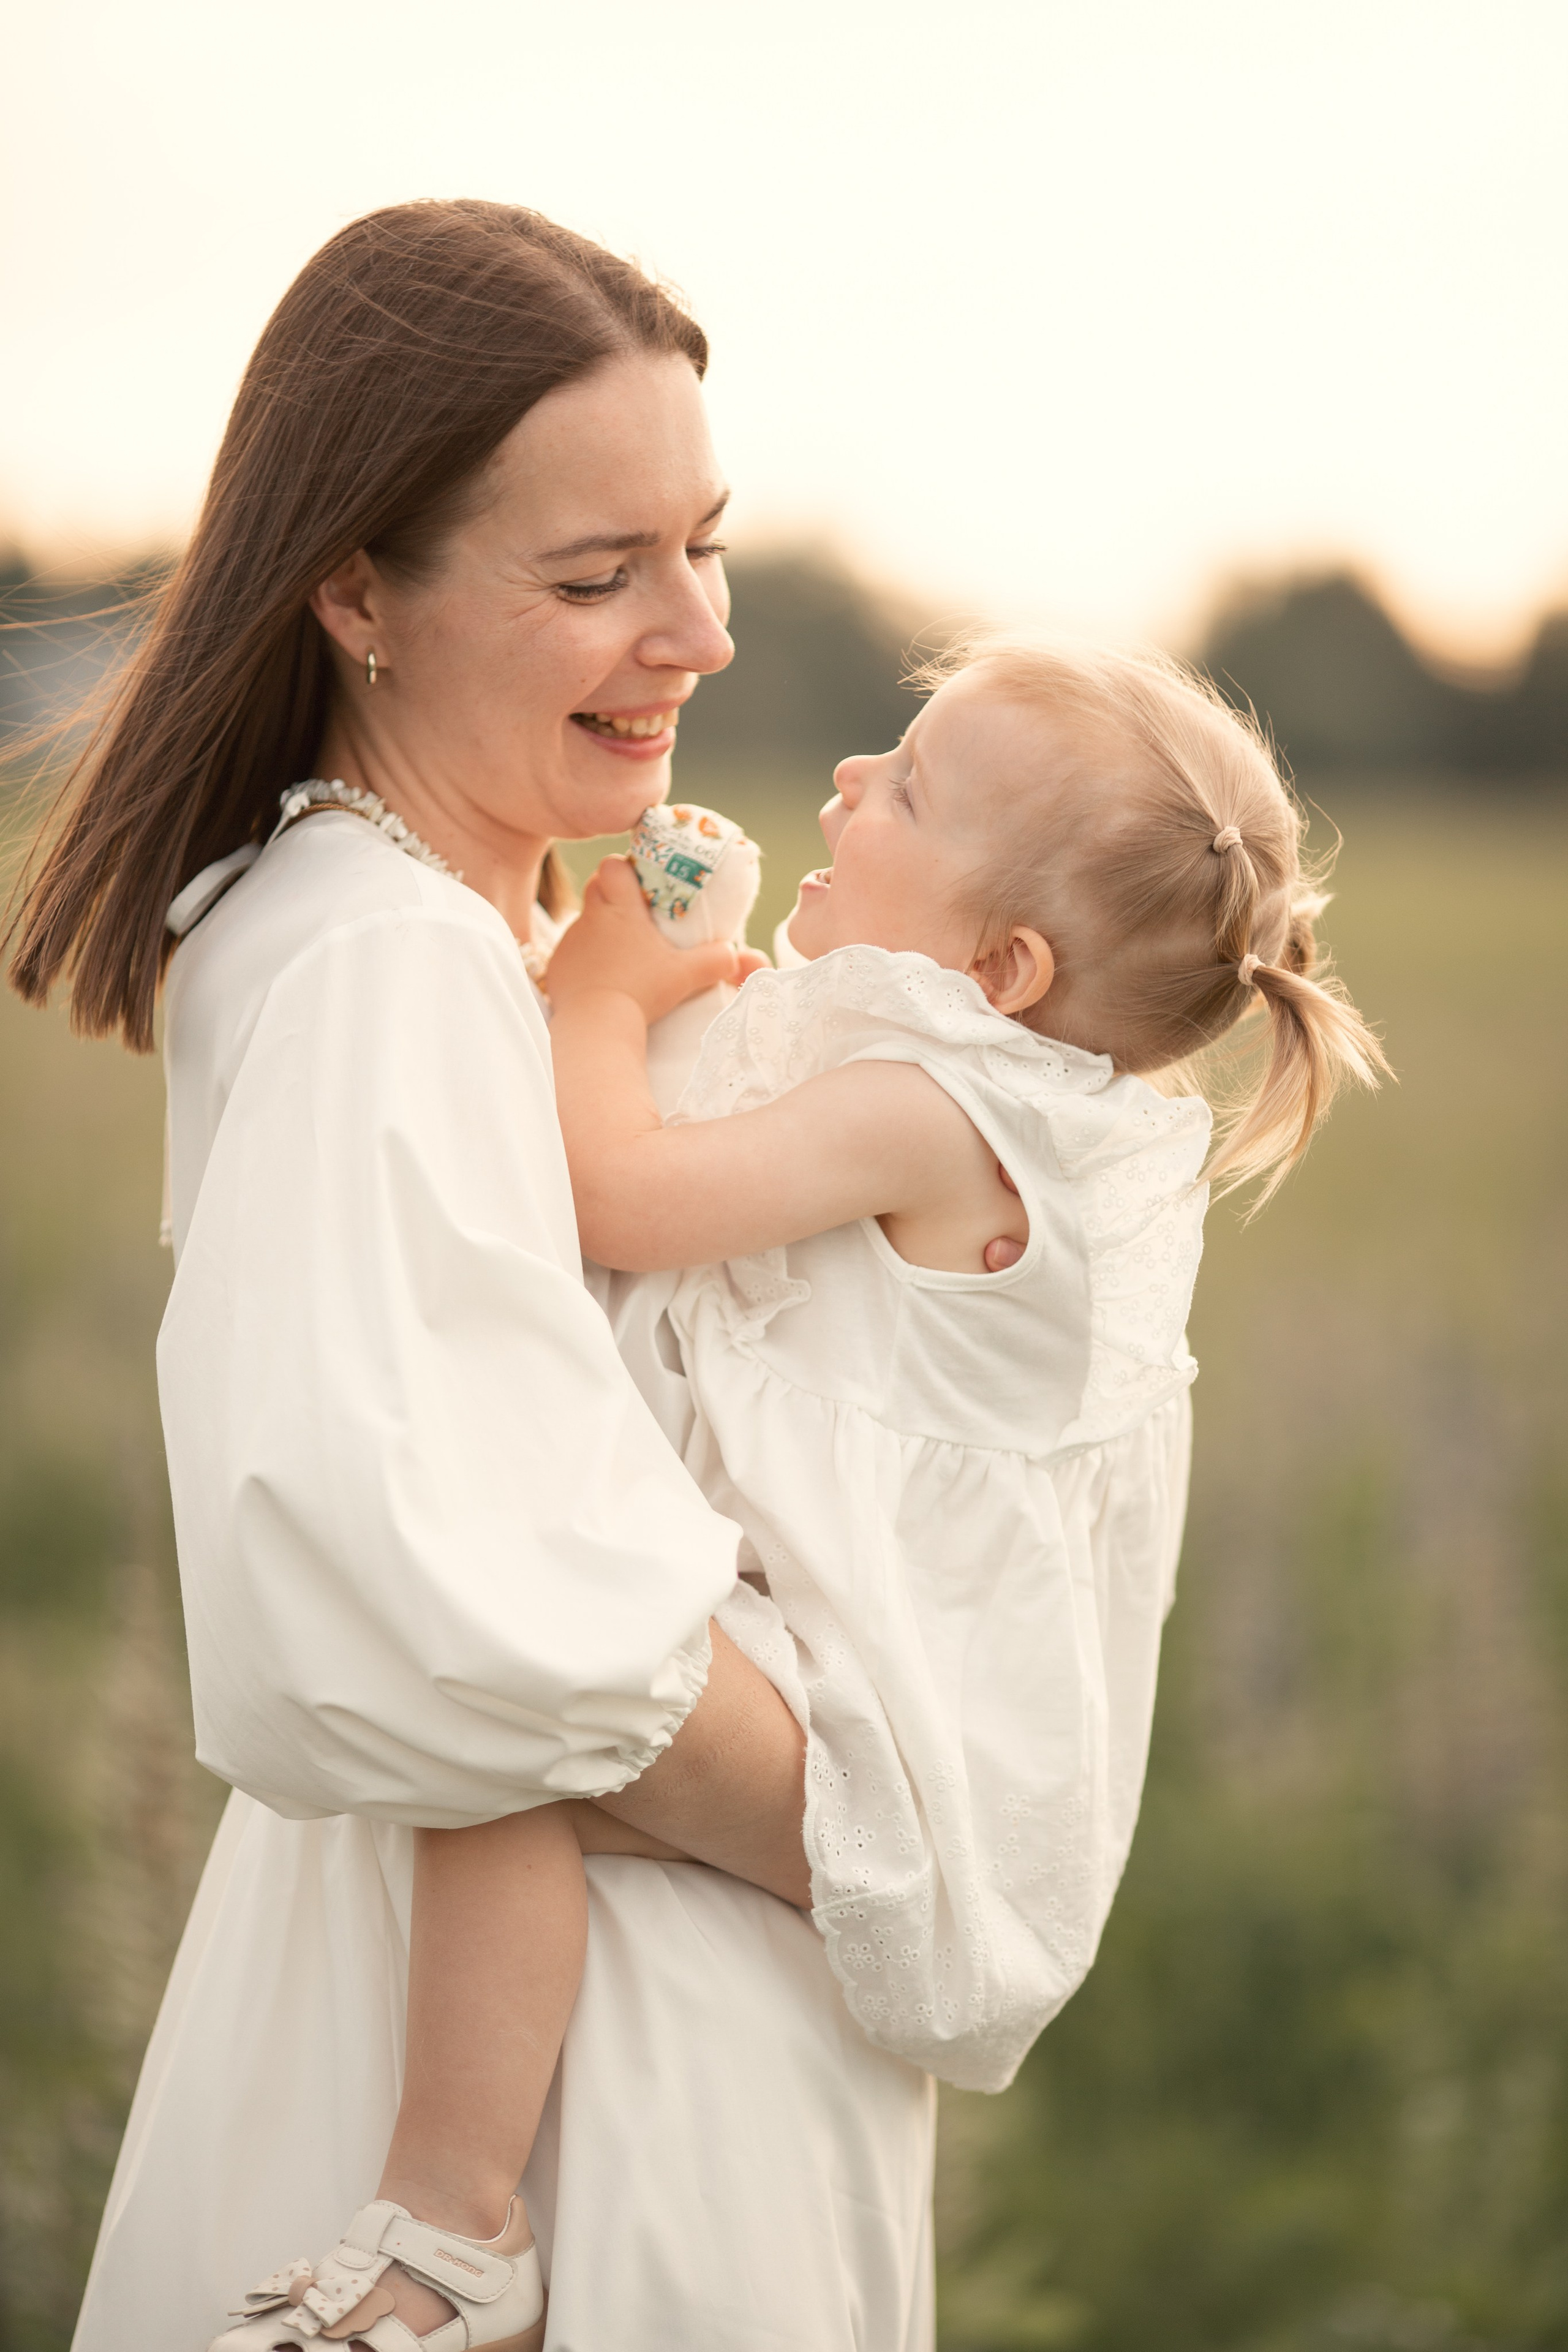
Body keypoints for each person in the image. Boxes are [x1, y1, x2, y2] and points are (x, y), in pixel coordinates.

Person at [206, 632, 1387, 2351]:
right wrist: (699, 976)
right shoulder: (1000, 1089)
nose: (848, 782)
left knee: (511, 1722)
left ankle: (454, 2232)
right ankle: (453, 2225)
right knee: (511, 1715)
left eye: (907, 787)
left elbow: (620, 1195)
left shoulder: (936, 1114)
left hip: (873, 1755)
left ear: (1003, 967)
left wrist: (606, 989)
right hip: (841, 1694)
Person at [7, 202, 938, 2352]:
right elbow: (449, 1587)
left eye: (702, 543)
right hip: (576, 2077)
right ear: (356, 592)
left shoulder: (429, 932)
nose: (695, 633)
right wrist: (900, 1846)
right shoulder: (386, 963)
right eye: (596, 577)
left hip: (524, 1972)